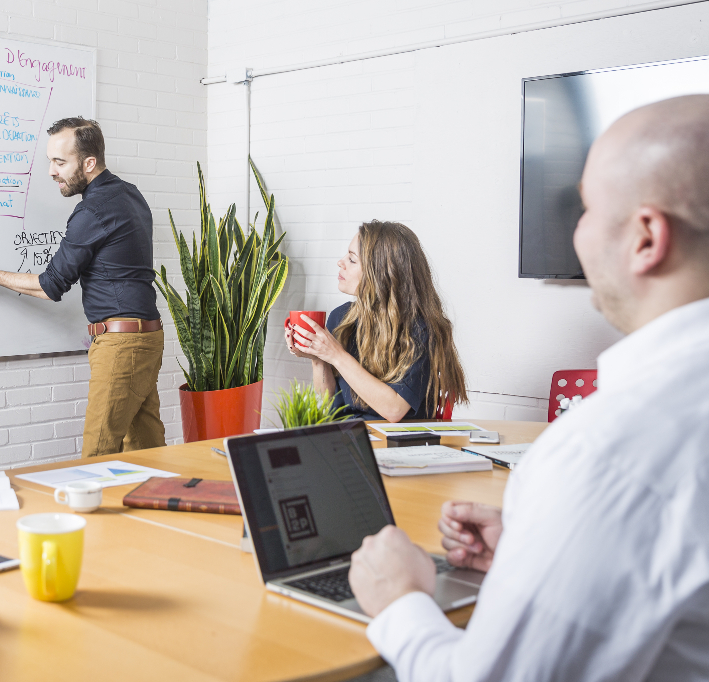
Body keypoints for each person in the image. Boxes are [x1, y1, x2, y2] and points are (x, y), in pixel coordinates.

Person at [349, 95, 709, 681]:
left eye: (586, 208)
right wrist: (547, 545)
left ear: (646, 237)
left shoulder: (606, 455)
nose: (574, 231)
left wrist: (400, 601)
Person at [0, 117, 164, 458]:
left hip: (122, 344)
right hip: (147, 337)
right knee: (147, 451)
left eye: (60, 162)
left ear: (89, 163)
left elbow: (51, 285)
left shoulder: (91, 211)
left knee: (97, 454)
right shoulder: (130, 195)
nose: (52, 171)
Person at [284, 221, 467, 422]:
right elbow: (326, 408)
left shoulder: (419, 330)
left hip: (399, 442)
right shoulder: (340, 318)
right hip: (351, 439)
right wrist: (318, 357)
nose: (340, 262)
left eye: (352, 260)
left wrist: (336, 355)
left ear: (380, 273)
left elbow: (394, 410)